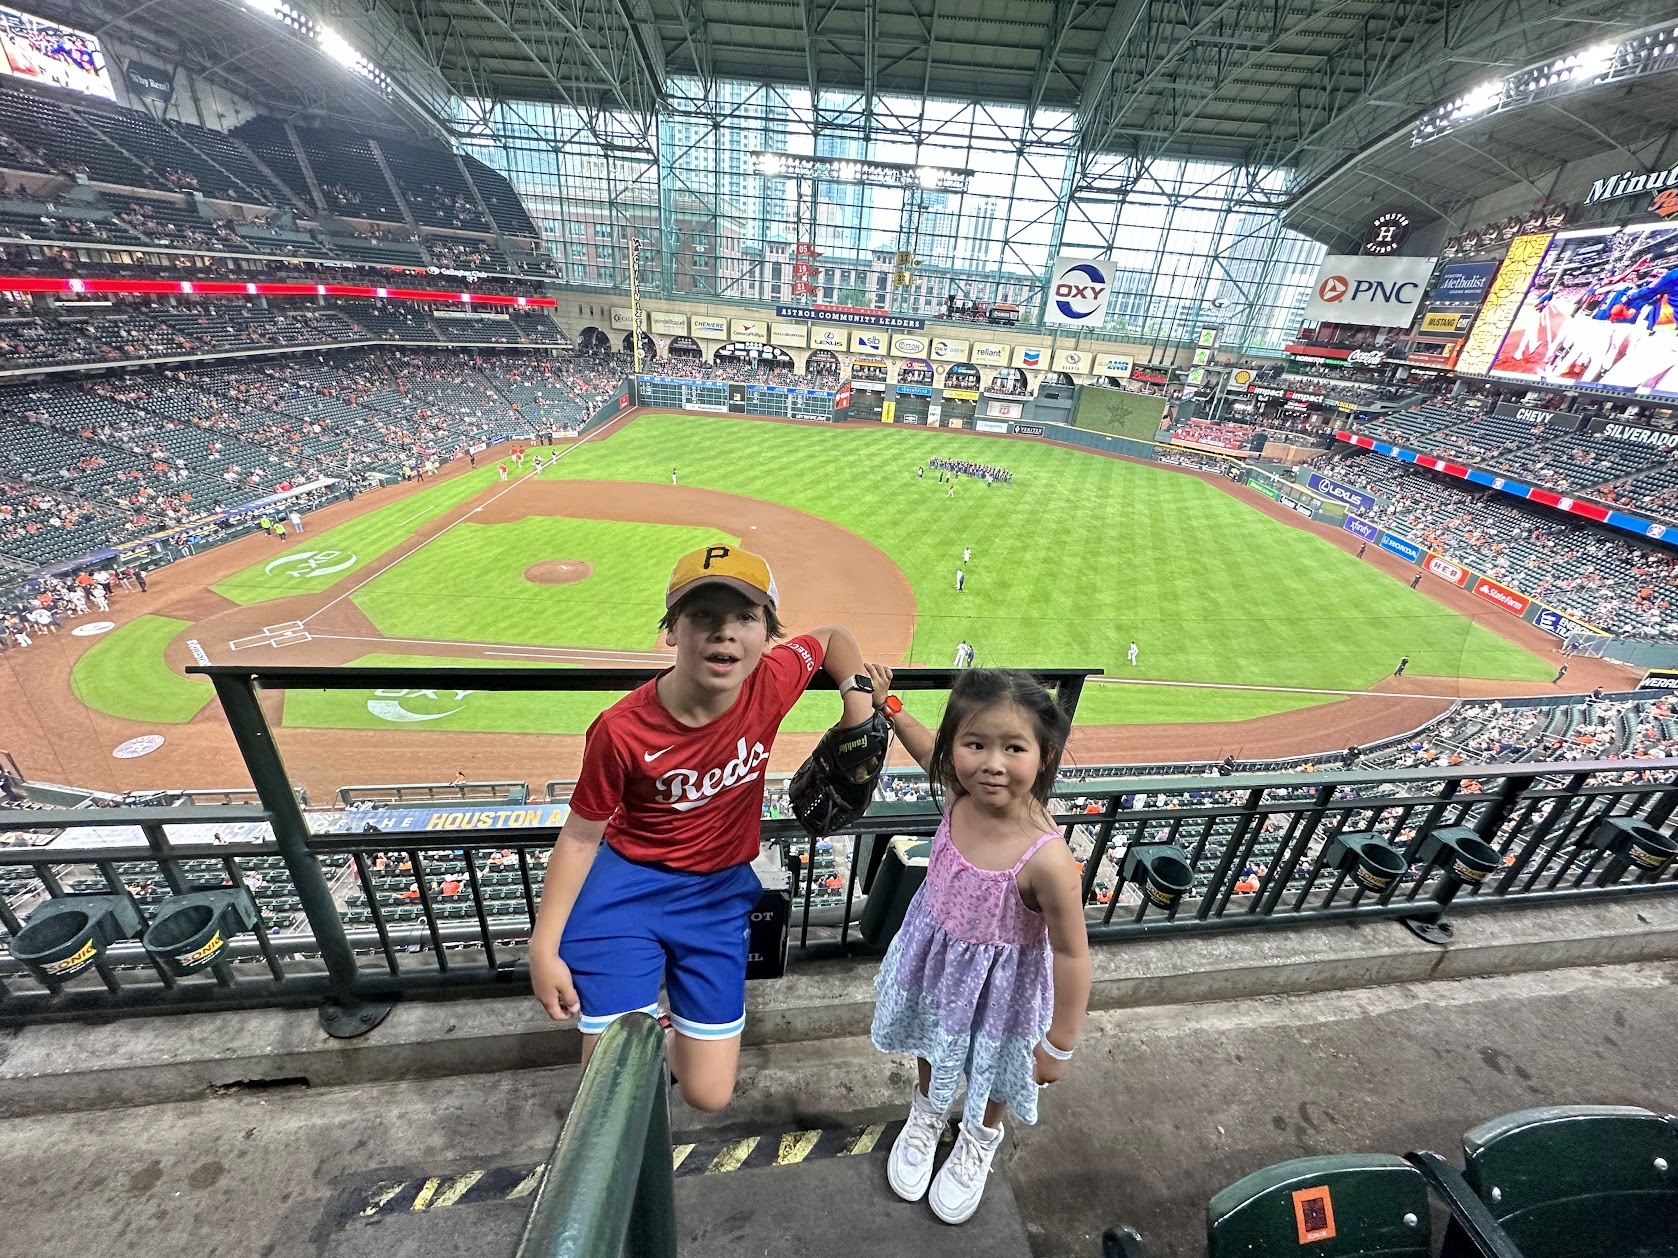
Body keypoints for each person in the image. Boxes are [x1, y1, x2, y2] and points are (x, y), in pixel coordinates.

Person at [527, 543, 877, 1112]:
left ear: (767, 636)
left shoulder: (772, 678)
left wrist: (857, 701)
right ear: (672, 631)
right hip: (625, 891)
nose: (725, 634)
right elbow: (580, 836)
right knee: (612, 1094)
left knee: (708, 1095)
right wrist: (543, 946)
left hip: (716, 893)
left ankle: (656, 1021)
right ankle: (636, 1010)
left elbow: (834, 638)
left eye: (745, 617)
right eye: (702, 617)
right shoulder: (620, 730)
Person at [864, 666, 1090, 1225]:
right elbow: (926, 751)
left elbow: (1072, 953)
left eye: (1013, 747)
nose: (991, 763)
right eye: (975, 744)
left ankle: (979, 1137)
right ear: (955, 748)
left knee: (993, 1071)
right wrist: (889, 707)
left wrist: (1059, 1044)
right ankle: (928, 1110)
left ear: (1045, 754)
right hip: (938, 967)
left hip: (1003, 992)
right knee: (928, 1040)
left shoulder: (1048, 859)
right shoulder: (958, 794)